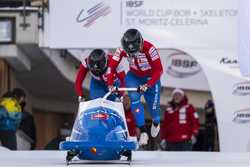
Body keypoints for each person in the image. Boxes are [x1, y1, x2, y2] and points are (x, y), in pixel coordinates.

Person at [107, 28, 163, 146]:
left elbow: (159, 70)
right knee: (134, 99)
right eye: (129, 53)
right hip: (134, 77)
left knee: (155, 112)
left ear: (140, 43)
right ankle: (143, 131)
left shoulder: (150, 49)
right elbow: (111, 67)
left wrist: (148, 84)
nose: (132, 54)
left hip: (151, 78)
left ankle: (156, 122)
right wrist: (110, 83)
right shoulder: (121, 48)